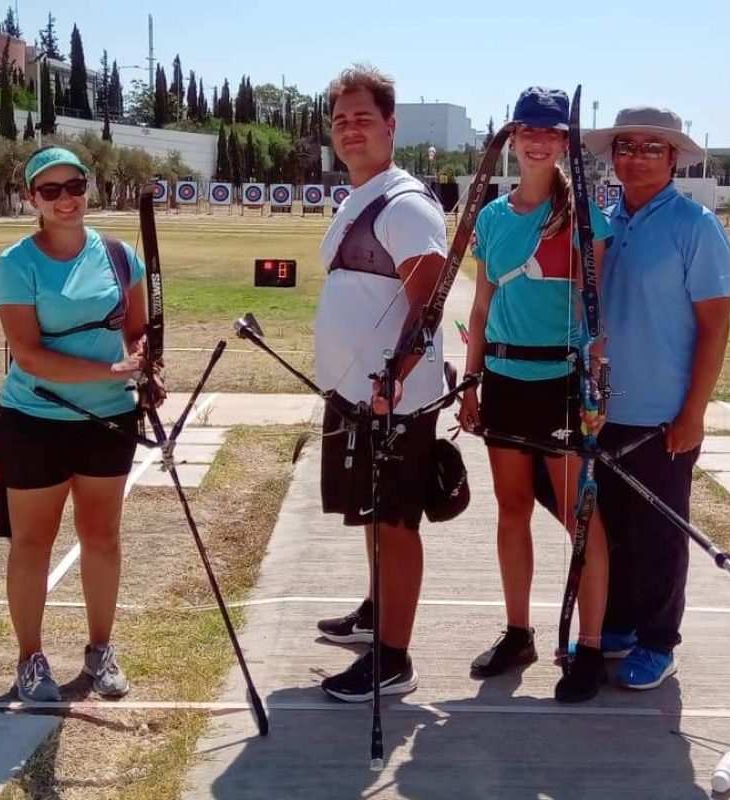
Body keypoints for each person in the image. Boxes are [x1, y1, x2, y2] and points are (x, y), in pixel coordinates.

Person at [455, 87, 613, 703]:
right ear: (513, 139)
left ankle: (591, 646)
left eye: (552, 132)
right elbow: (483, 301)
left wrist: (595, 385)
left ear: (565, 142)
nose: (539, 141)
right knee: (512, 508)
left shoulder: (584, 218)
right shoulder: (493, 217)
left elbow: (595, 310)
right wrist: (470, 382)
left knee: (582, 520)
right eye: (528, 131)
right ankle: (518, 630)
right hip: (503, 379)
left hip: (560, 385)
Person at [310, 64, 453, 702]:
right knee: (372, 513)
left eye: (363, 118)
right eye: (341, 120)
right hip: (356, 394)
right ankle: (377, 610)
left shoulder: (406, 205)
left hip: (392, 397)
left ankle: (394, 659)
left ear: (390, 126)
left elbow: (428, 306)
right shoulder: (359, 198)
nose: (350, 130)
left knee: (396, 521)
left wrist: (393, 378)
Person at [0, 146, 153, 702]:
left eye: (75, 186)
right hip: (35, 419)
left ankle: (100, 650)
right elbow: (28, 355)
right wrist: (111, 367)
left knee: (102, 537)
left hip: (109, 418)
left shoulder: (117, 254)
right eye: (51, 190)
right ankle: (30, 658)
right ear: (31, 199)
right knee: (32, 542)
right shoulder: (16, 262)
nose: (66, 199)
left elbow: (137, 329)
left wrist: (144, 362)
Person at [582, 107, 730, 691]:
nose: (637, 156)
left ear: (673, 158)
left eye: (652, 147)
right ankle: (616, 625)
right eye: (627, 145)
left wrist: (693, 411)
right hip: (602, 410)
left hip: (663, 415)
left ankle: (657, 639)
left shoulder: (695, 226)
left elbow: (715, 326)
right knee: (608, 528)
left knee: (659, 533)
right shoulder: (603, 222)